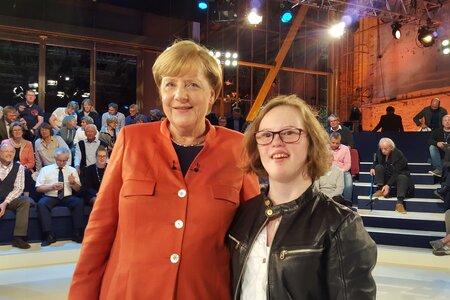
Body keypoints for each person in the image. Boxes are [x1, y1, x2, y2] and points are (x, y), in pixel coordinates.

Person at [69, 40, 260, 299]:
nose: (180, 95)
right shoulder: (131, 140)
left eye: (193, 84)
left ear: (213, 94)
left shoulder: (238, 148)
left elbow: (253, 241)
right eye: (170, 84)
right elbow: (100, 229)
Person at [229, 95, 376, 299]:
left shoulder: (341, 224)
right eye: (266, 135)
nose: (276, 142)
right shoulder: (243, 215)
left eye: (289, 133)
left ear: (311, 142)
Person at [35, 147, 83, 247]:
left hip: (67, 196)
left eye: (64, 161)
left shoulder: (72, 170)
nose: (62, 163)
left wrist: (73, 183)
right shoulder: (45, 170)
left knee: (78, 202)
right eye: (59, 160)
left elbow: (78, 189)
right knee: (41, 204)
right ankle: (48, 235)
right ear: (55, 158)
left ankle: (77, 233)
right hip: (51, 196)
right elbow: (38, 188)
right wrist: (51, 187)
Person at [370, 138, 413, 214]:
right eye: (382, 148)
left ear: (391, 148)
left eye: (385, 149)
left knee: (402, 177)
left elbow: (397, 172)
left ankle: (399, 203)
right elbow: (376, 162)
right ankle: (380, 189)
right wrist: (373, 168)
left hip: (399, 176)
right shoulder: (380, 152)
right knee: (378, 167)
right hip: (388, 175)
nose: (383, 151)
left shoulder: (398, 154)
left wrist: (388, 185)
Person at [0, 144, 31, 249]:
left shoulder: (20, 168)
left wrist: (4, 203)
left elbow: (18, 189)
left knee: (25, 201)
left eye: (11, 152)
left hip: (9, 199)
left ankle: (18, 238)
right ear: (0, 153)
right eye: (6, 151)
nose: (9, 154)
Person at [329, 132, 353, 205]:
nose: (335, 145)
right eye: (333, 143)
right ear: (329, 141)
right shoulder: (324, 148)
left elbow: (348, 164)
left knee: (348, 177)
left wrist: (340, 171)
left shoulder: (345, 149)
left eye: (337, 143)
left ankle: (347, 201)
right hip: (328, 170)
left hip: (341, 170)